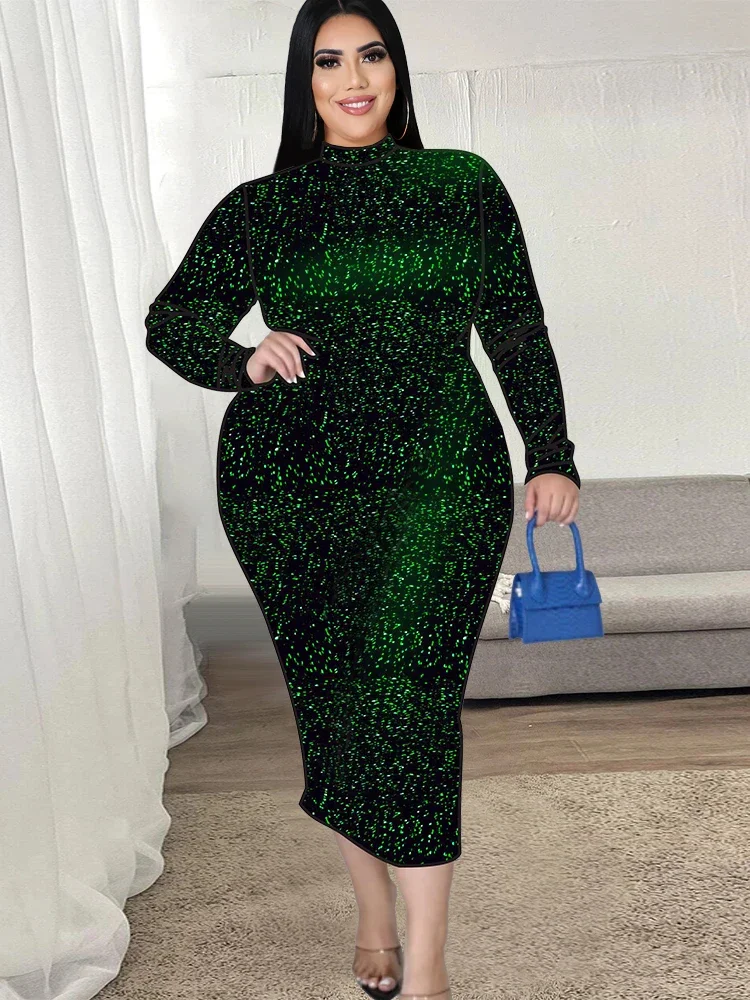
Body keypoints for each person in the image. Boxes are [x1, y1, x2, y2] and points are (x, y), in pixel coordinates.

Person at [144, 1, 581, 996]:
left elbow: (515, 325)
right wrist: (242, 357)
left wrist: (550, 454)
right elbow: (172, 320)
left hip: (442, 476)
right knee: (341, 705)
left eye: (372, 55)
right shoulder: (265, 207)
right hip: (291, 487)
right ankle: (373, 914)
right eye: (329, 61)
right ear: (303, 82)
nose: (354, 79)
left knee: (410, 703)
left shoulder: (462, 185)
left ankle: (426, 967)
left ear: (397, 68)